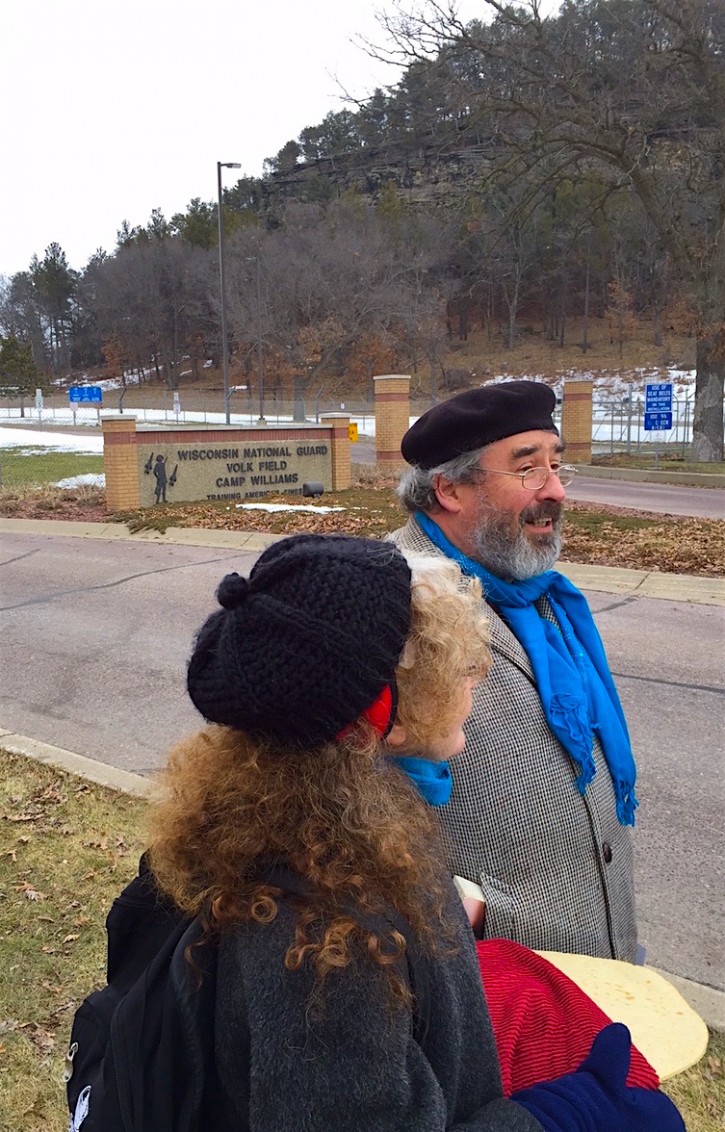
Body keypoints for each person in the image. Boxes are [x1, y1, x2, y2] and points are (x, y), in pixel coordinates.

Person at [144, 533, 681, 1131]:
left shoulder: (307, 827)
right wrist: (561, 1118)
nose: (477, 670)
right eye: (446, 660)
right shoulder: (329, 935)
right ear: (383, 716)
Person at [390, 380, 638, 961]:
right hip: (491, 985)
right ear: (449, 489)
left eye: (557, 465)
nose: (554, 489)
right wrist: (461, 912)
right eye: (527, 469)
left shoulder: (535, 589)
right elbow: (333, 796)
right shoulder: (392, 602)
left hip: (602, 964)